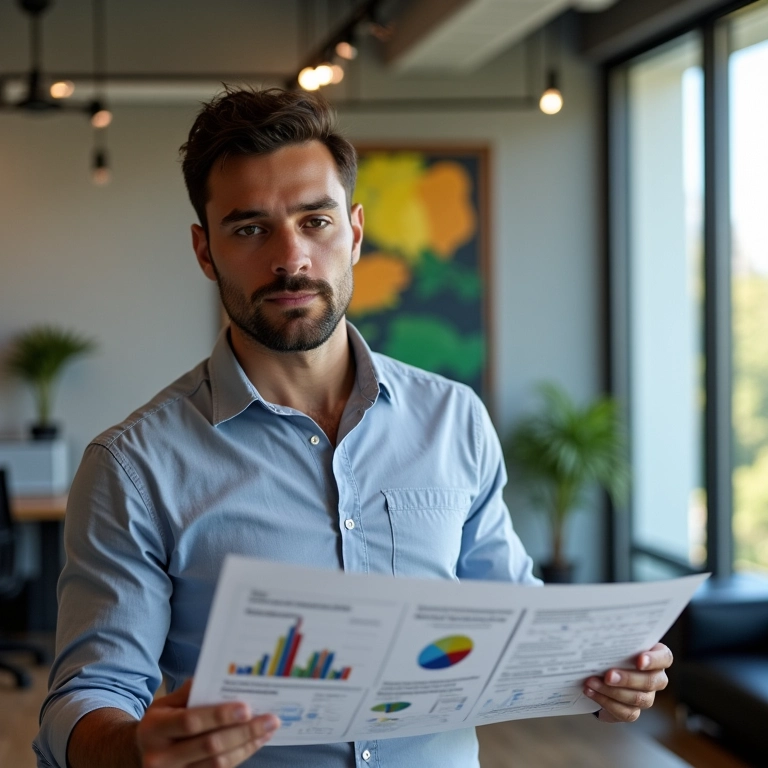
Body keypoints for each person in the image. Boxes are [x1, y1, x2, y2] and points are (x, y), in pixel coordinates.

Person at [34, 88, 673, 768]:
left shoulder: (453, 419)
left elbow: (510, 614)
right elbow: (88, 693)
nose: (291, 259)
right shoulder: (133, 467)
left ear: (356, 231)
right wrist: (132, 749)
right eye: (250, 229)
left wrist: (603, 670)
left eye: (316, 221)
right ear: (204, 250)